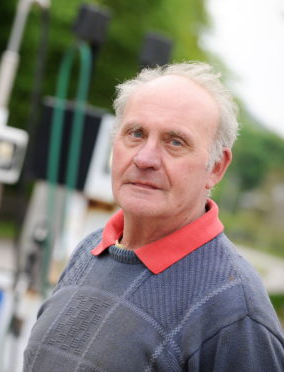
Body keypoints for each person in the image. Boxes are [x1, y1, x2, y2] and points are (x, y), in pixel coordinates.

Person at [23, 62, 284, 371]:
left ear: (215, 167)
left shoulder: (235, 311)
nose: (145, 158)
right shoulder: (90, 250)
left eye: (175, 142)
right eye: (136, 133)